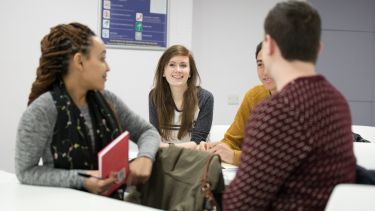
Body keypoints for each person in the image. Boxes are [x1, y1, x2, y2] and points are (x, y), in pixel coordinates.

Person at [223, 1, 356, 210]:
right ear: (319, 48)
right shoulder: (337, 101)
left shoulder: (277, 110)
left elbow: (238, 205)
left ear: (270, 46)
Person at [15, 22, 160, 196]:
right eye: (102, 58)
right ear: (80, 61)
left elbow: (147, 131)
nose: (107, 67)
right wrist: (82, 180)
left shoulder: (108, 100)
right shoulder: (43, 110)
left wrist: (145, 157)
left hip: (113, 202)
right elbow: (25, 172)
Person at [197, 42, 276, 165]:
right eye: (260, 64)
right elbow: (232, 140)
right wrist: (217, 148)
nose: (265, 72)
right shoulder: (254, 96)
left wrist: (234, 156)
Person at [149, 44, 214, 149]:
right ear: (163, 71)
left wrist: (165, 146)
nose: (178, 70)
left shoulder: (205, 98)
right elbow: (155, 137)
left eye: (183, 65)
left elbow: (197, 143)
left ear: (190, 72)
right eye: (172, 65)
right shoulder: (154, 96)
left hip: (194, 159)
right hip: (166, 159)